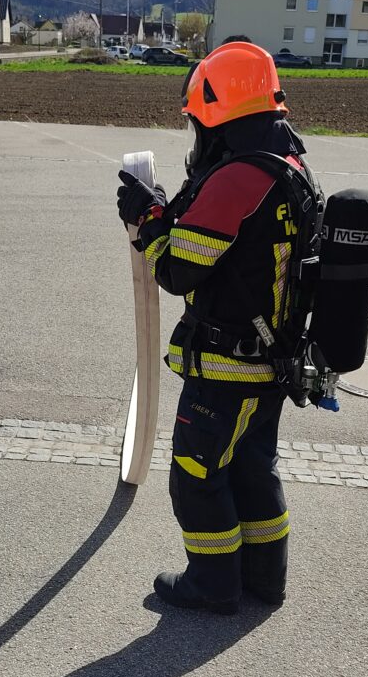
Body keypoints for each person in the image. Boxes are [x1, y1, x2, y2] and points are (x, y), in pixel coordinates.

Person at [117, 39, 321, 614]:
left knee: (197, 473)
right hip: (272, 363)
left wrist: (147, 221)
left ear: (215, 114)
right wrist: (166, 210)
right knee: (254, 470)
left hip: (227, 371)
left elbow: (178, 270)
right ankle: (264, 580)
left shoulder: (236, 179)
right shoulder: (288, 166)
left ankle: (212, 585)